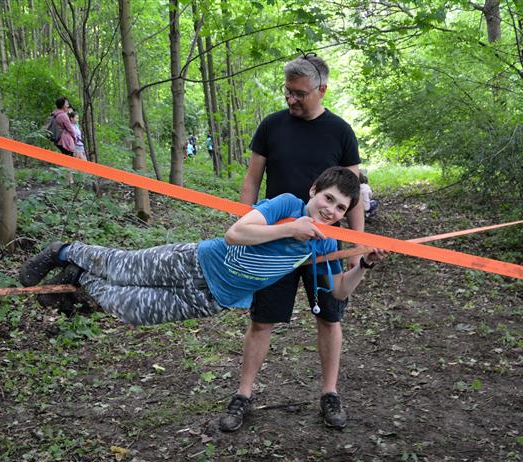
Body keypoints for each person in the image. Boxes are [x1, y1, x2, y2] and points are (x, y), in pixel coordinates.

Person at [19, 167, 386, 330]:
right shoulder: (288, 205)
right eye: (328, 199)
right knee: (122, 267)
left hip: (214, 298)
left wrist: (363, 266)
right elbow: (236, 234)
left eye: (340, 208)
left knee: (132, 311)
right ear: (313, 192)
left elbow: (338, 291)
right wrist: (291, 229)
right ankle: (63, 251)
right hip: (194, 262)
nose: (331, 210)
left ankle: (80, 279)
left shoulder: (325, 243)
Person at [226, 52, 363, 433]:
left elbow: (354, 194)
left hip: (325, 245)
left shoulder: (340, 131)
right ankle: (243, 394)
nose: (291, 99)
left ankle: (329, 394)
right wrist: (245, 221)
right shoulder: (271, 126)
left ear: (322, 89)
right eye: (288, 91)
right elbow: (252, 180)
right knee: (261, 321)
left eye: (299, 93)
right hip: (276, 241)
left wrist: (357, 248)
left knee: (329, 317)